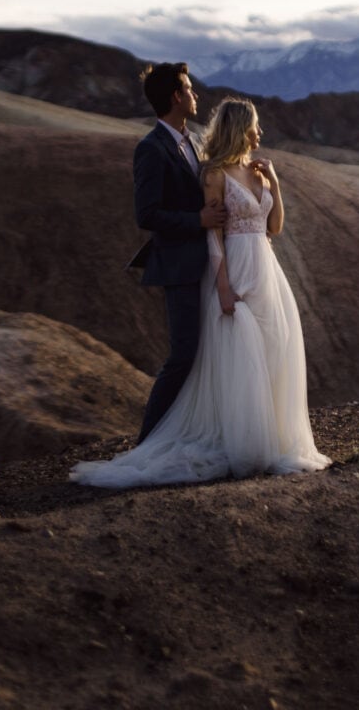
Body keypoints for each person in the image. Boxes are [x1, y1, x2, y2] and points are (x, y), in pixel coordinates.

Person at [70, 97, 330, 487]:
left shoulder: (257, 170)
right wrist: (223, 287)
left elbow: (274, 227)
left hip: (267, 271)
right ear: (240, 128)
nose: (260, 133)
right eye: (255, 126)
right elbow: (214, 236)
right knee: (239, 357)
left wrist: (273, 182)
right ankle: (241, 442)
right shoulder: (215, 174)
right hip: (235, 270)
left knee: (273, 351)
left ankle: (273, 440)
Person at [127, 62, 227, 444]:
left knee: (208, 353)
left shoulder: (195, 141)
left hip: (208, 261)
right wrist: (197, 219)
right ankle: (147, 442)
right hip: (179, 266)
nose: (195, 94)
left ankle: (192, 432)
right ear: (176, 96)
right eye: (189, 88)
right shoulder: (151, 149)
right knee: (183, 355)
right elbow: (146, 214)